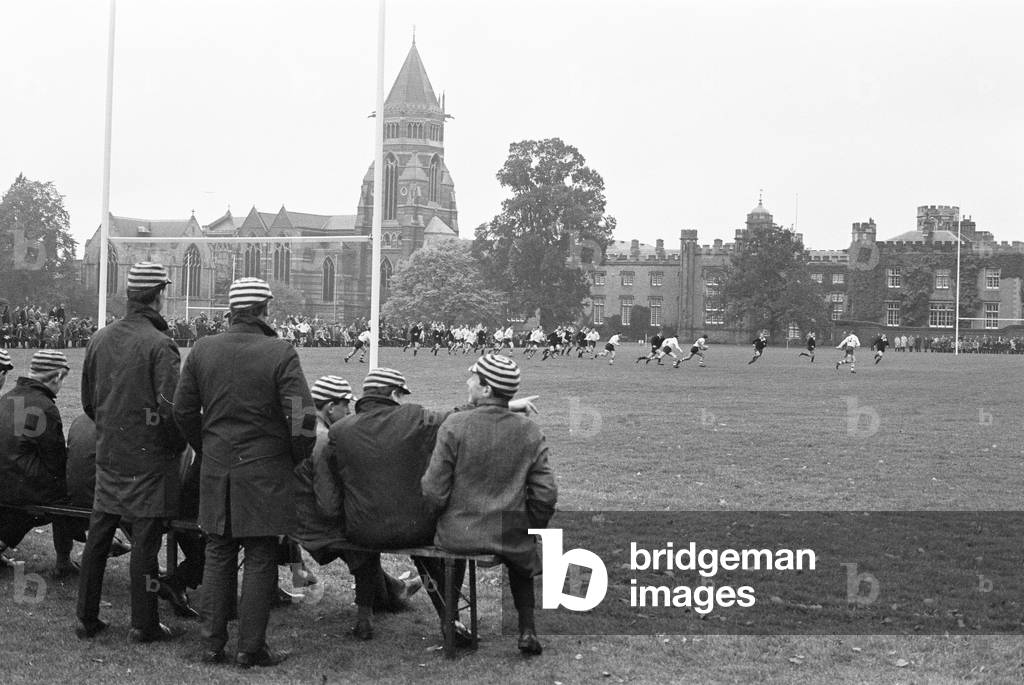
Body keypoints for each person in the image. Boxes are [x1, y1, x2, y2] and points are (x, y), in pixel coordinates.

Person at [317, 367, 538, 643]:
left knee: (368, 543)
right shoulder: (416, 417)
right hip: (414, 528)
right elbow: (456, 415)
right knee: (440, 546)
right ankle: (450, 619)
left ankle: (365, 618)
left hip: (362, 530)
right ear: (394, 394)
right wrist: (505, 405)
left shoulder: (339, 430)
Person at [174, 277, 316, 668]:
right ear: (264, 310)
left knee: (218, 551)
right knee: (259, 554)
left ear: (232, 311)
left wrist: (208, 447)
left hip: (218, 467)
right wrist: (292, 456)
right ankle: (250, 648)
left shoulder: (203, 349)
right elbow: (303, 417)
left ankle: (211, 644)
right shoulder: (280, 351)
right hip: (265, 469)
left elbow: (182, 411)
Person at [76, 263, 188, 643]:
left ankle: (86, 617)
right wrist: (173, 445)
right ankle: (144, 623)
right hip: (150, 459)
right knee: (145, 545)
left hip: (110, 454)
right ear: (159, 295)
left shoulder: (100, 339)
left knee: (99, 537)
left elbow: (89, 403)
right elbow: (171, 409)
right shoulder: (161, 344)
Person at [422, 353, 557, 655]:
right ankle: (527, 628)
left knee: (454, 556)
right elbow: (546, 493)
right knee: (522, 556)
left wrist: (440, 514)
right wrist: (531, 526)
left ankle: (450, 622)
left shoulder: (455, 425)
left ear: (485, 389)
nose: (467, 382)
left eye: (473, 378)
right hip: (509, 533)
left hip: (459, 531)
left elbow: (433, 488)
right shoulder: (529, 431)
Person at [291, 375, 422, 620]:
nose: (350, 411)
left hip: (295, 517)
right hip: (313, 524)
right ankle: (371, 610)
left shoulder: (301, 431)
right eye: (346, 405)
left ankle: (393, 591)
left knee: (361, 533)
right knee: (364, 532)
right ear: (331, 407)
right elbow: (328, 505)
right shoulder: (324, 441)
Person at [0, 351, 87, 577]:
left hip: (6, 479)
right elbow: (56, 463)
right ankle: (68, 557)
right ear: (57, 377)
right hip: (20, 486)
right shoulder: (45, 407)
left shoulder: (7, 398)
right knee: (68, 492)